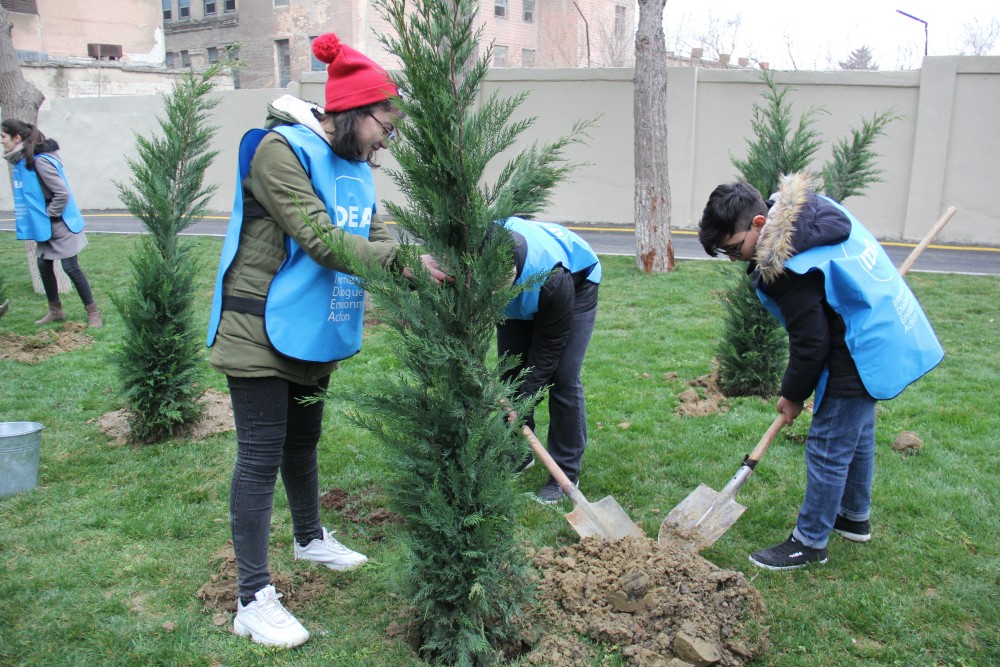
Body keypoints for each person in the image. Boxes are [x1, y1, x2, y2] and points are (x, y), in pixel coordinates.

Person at [206, 33, 448, 648]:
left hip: (314, 319)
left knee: (304, 439)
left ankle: (310, 538)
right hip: (259, 320)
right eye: (382, 128)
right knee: (261, 455)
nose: (384, 142)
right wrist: (402, 266)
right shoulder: (277, 151)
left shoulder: (351, 163)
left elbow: (375, 228)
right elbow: (319, 237)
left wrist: (418, 265)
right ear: (350, 113)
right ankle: (252, 597)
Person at [697, 172, 943, 571]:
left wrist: (792, 395)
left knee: (828, 444)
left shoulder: (789, 268)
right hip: (875, 322)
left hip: (860, 342)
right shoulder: (805, 210)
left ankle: (809, 542)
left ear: (759, 224)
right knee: (858, 431)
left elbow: (811, 345)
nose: (734, 258)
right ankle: (852, 516)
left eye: (733, 248)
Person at [498, 216, 601, 503]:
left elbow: (547, 351)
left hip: (575, 283)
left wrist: (526, 399)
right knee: (509, 373)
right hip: (520, 293)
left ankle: (565, 473)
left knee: (562, 378)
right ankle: (519, 454)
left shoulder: (553, 276)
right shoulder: (476, 255)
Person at [2, 119, 102, 328]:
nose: (2, 143)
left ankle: (93, 313)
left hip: (60, 223)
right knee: (43, 264)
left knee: (70, 267)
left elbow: (62, 193)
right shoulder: (26, 160)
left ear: (17, 138)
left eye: (3, 137)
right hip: (46, 224)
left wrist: (48, 214)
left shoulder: (40, 161)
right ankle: (55, 311)